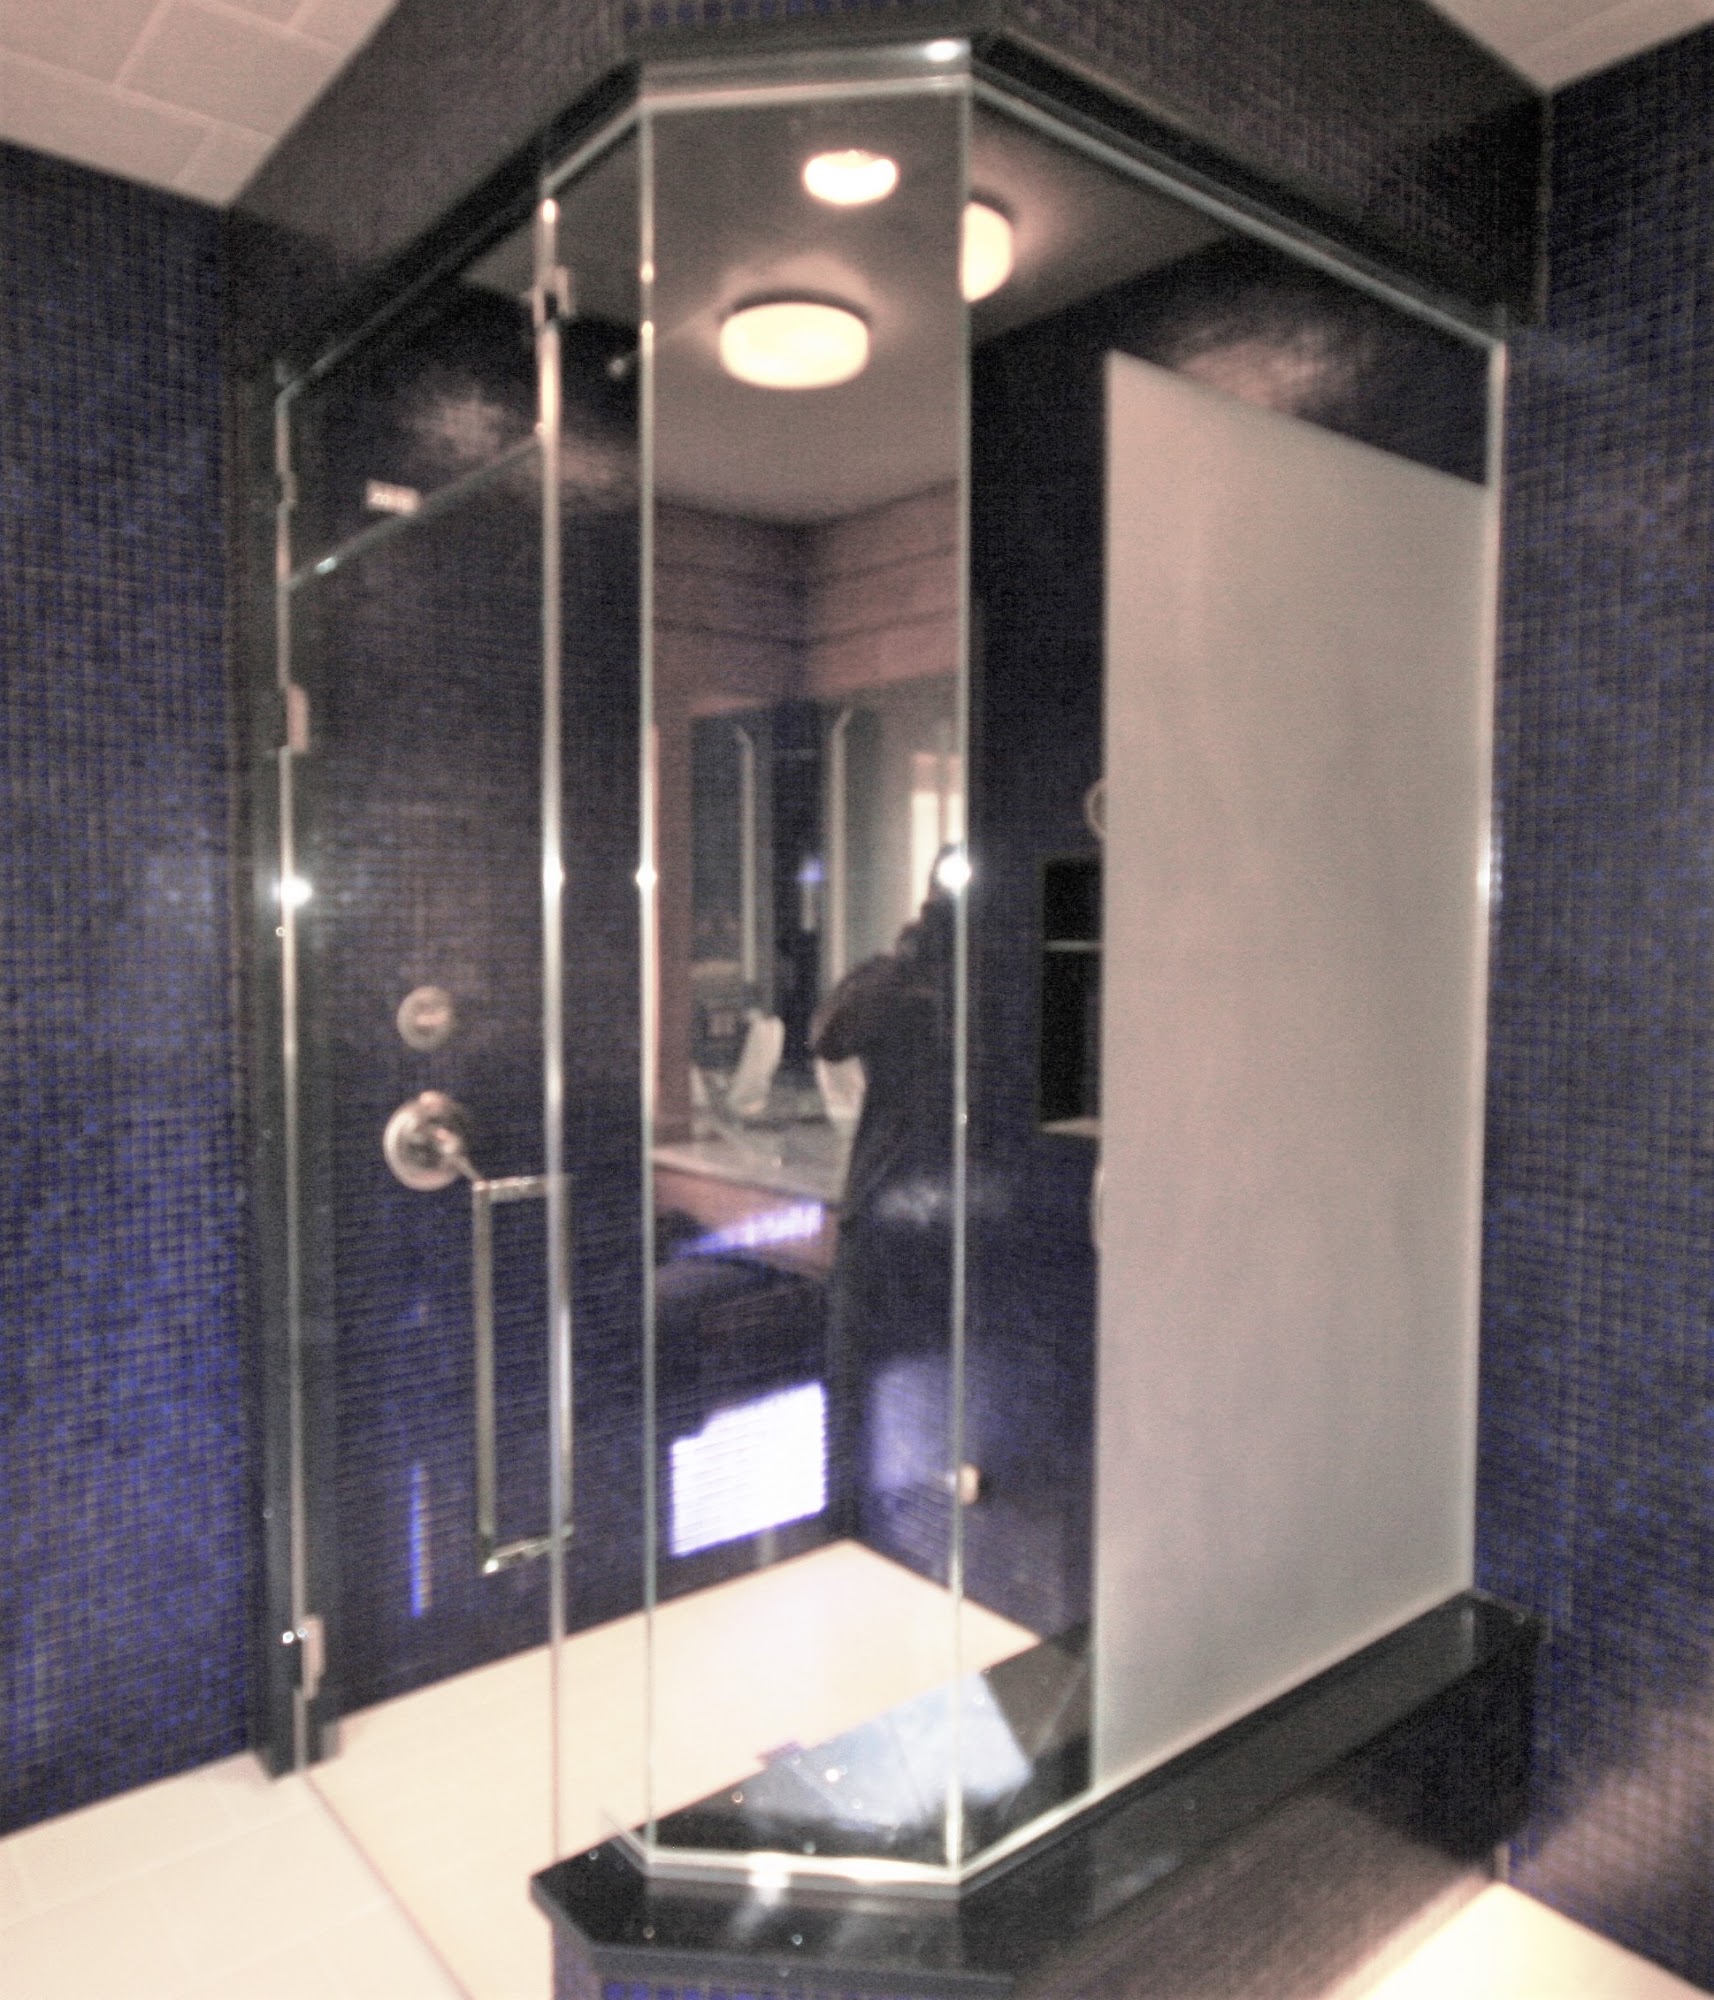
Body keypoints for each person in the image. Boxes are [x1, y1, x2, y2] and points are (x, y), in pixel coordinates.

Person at [809, 873, 956, 1555]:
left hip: (949, 1220)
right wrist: (916, 954)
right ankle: (852, 1539)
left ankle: (905, 1542)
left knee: (920, 1399)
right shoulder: (906, 981)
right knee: (857, 1396)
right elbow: (830, 1033)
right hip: (886, 1215)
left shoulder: (984, 984)